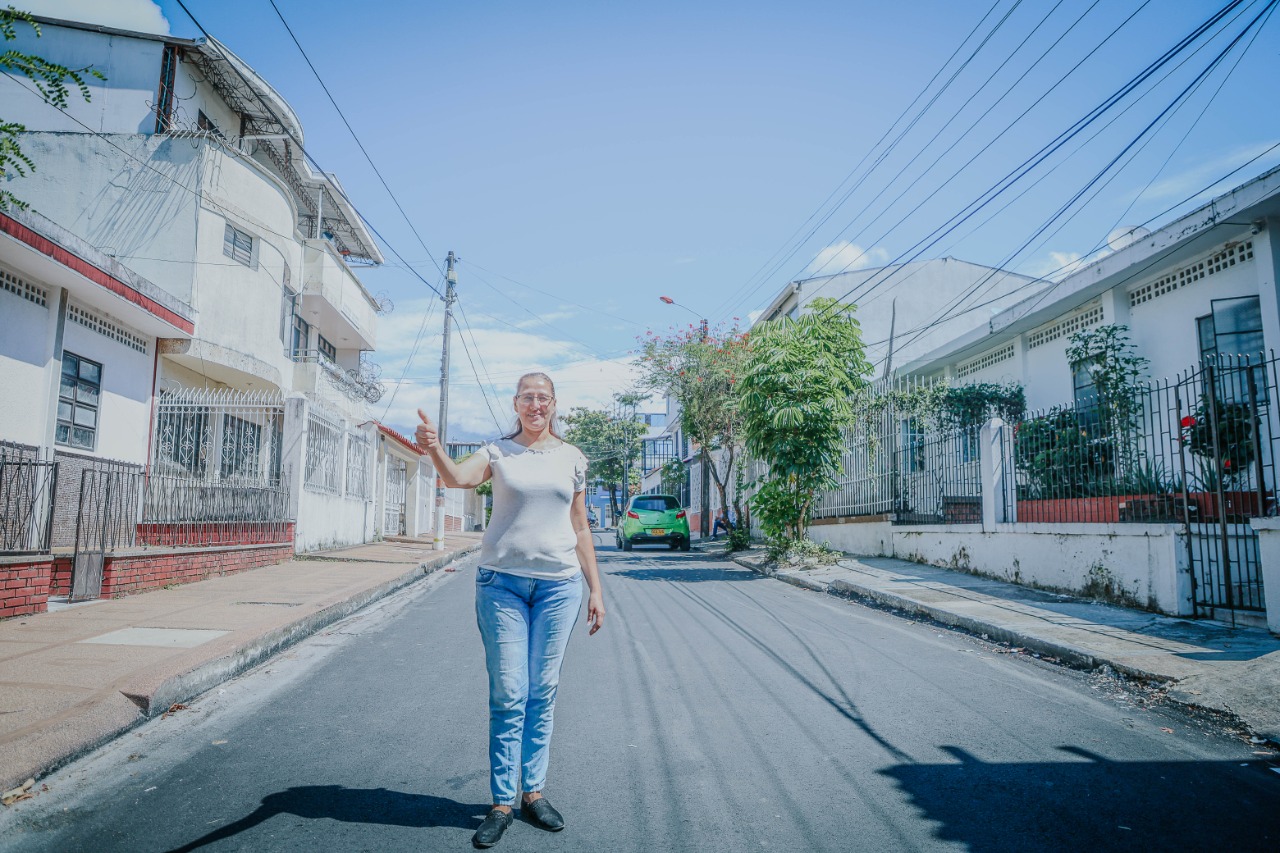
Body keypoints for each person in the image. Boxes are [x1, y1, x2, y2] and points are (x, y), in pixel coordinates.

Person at [415, 371, 606, 849]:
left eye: (543, 398)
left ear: (554, 403)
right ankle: (501, 802)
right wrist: (435, 446)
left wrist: (596, 590)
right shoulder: (498, 451)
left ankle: (533, 793)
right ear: (516, 402)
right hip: (501, 585)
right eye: (527, 398)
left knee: (543, 689)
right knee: (509, 691)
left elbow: (580, 527)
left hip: (560, 588)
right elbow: (456, 478)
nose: (535, 405)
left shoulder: (573, 458)